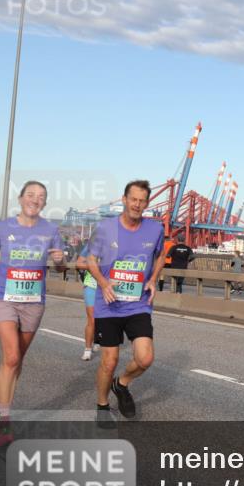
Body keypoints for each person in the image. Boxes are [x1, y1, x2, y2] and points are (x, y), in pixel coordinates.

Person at [0, 180, 64, 445]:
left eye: (41, 196)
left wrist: (60, 261)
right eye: (30, 194)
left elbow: (60, 266)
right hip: (4, 299)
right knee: (11, 357)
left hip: (33, 302)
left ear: (45, 203)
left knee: (17, 360)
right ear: (21, 199)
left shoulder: (51, 230)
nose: (35, 199)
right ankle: (5, 423)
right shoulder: (2, 227)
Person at [86, 180, 165, 427]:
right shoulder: (105, 228)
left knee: (145, 359)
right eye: (133, 199)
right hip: (108, 304)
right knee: (109, 361)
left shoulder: (155, 229)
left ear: (147, 203)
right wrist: (103, 283)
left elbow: (161, 256)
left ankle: (121, 384)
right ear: (124, 199)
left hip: (138, 304)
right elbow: (90, 260)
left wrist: (152, 279)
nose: (137, 205)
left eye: (142, 201)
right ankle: (102, 405)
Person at [76, 241, 101, 360]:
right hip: (91, 285)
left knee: (106, 319)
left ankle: (98, 339)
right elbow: (79, 263)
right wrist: (94, 266)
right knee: (92, 319)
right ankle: (87, 349)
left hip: (109, 287)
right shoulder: (92, 244)